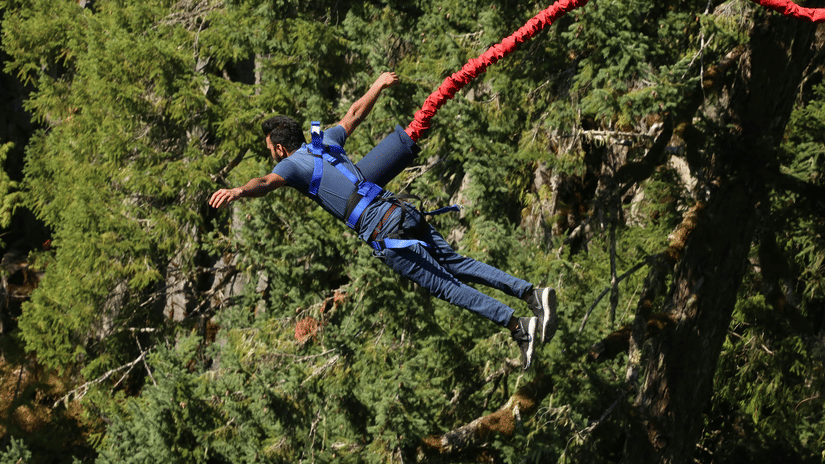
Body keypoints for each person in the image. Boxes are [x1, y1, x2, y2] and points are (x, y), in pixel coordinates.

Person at [209, 72, 557, 369]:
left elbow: (266, 183)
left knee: (447, 286)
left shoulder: (290, 165)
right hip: (399, 210)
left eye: (270, 150)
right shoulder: (324, 141)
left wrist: (239, 190)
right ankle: (531, 293)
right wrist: (377, 85)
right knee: (457, 263)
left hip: (382, 229)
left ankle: (518, 326)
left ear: (280, 149)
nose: (272, 156)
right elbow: (355, 114)